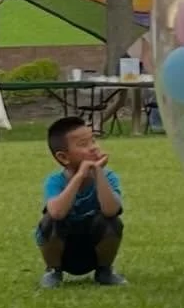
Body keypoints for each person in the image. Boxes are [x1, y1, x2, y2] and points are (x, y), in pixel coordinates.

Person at [36, 116, 127, 288]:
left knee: (112, 222)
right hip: (64, 251)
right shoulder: (55, 181)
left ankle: (104, 270)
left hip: (94, 249)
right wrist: (79, 177)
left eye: (93, 140)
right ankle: (53, 270)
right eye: (83, 144)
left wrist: (98, 172)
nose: (93, 147)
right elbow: (56, 213)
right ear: (64, 158)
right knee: (49, 221)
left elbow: (110, 211)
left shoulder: (108, 177)